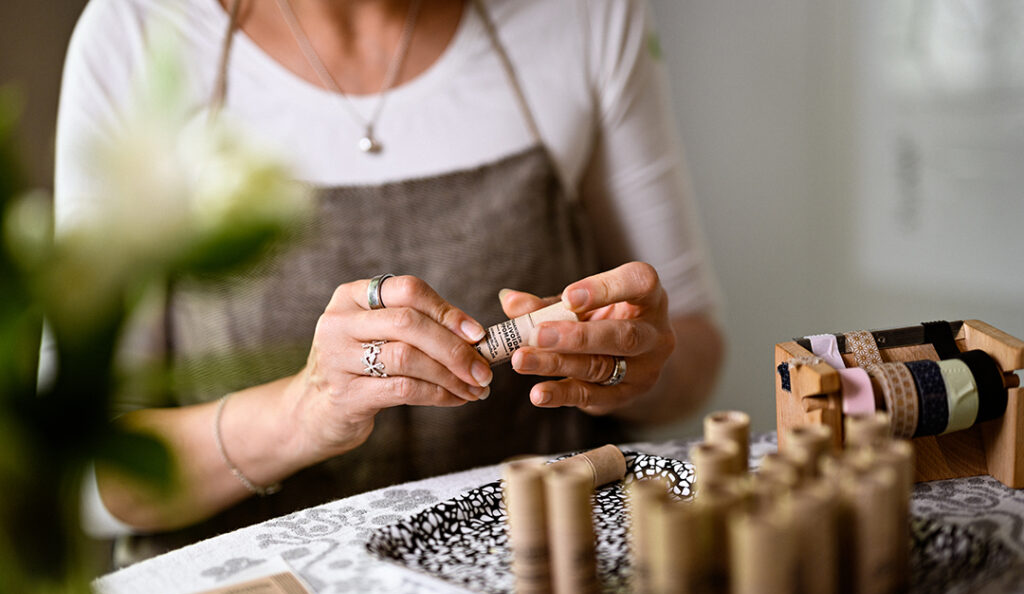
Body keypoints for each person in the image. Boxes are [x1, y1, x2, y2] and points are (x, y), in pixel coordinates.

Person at [54, 0, 724, 562]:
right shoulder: (143, 34)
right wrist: (304, 413)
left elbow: (693, 356)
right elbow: (81, 471)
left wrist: (627, 364)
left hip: (539, 579)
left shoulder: (582, 16)